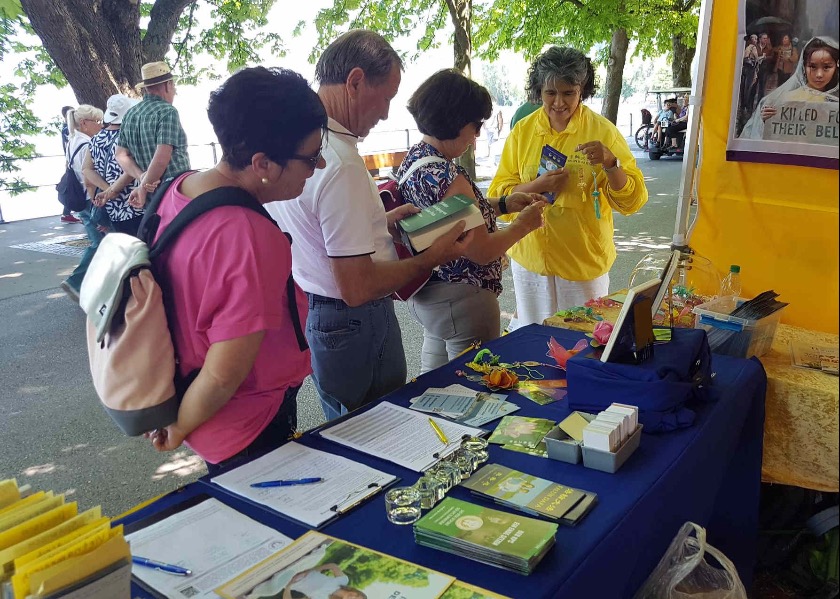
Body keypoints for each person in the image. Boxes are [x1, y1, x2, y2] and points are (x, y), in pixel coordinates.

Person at [267, 30, 473, 421]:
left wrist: (378, 219)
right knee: (380, 433)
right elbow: (358, 286)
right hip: (353, 320)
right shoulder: (339, 162)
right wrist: (432, 257)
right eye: (388, 97)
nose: (386, 113)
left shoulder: (301, 146)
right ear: (356, 81)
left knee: (348, 427)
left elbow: (315, 228)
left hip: (322, 313)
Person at [147, 66, 324, 474]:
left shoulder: (181, 189)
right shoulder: (249, 236)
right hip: (246, 423)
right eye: (311, 158)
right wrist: (176, 429)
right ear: (262, 162)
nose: (319, 165)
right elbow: (225, 374)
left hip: (188, 392)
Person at [396, 69, 546, 373]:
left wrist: (502, 204)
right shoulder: (450, 176)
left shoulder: (416, 160)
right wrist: (523, 225)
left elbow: (450, 217)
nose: (477, 135)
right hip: (465, 299)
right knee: (477, 388)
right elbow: (481, 250)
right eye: (475, 125)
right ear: (455, 121)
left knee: (434, 388)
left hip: (430, 295)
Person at [488, 46, 648, 330]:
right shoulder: (522, 132)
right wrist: (537, 185)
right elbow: (499, 193)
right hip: (530, 263)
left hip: (582, 264)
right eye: (551, 93)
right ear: (539, 92)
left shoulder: (603, 132)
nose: (559, 102)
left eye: (568, 93)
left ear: (582, 91)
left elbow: (633, 201)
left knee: (584, 342)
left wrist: (611, 163)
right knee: (533, 340)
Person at [116, 61, 191, 209]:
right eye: (173, 86)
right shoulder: (167, 111)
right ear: (168, 85)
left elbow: (120, 155)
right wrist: (143, 187)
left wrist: (142, 177)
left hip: (152, 200)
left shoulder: (130, 114)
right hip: (174, 192)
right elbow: (162, 157)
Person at [742, 36, 839, 139]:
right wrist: (765, 121)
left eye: (827, 67)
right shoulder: (782, 99)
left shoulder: (835, 102)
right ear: (803, 66)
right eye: (813, 67)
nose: (819, 74)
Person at [83, 94, 144, 236]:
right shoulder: (129, 136)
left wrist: (108, 190)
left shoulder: (96, 139)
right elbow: (131, 169)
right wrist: (112, 191)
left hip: (112, 208)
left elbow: (86, 169)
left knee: (126, 252)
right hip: (136, 204)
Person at [59, 105, 103, 301]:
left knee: (98, 241)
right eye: (98, 122)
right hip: (89, 198)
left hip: (80, 200)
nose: (100, 126)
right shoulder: (87, 144)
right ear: (84, 123)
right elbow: (88, 176)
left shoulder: (72, 140)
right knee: (98, 243)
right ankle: (76, 282)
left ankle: (92, 284)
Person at [281, 564, 367, 599]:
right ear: (356, 591)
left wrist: (289, 585)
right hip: (302, 568)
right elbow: (333, 566)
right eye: (357, 595)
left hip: (287, 580)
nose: (353, 597)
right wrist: (311, 570)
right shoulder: (343, 581)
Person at [59, 106, 81, 224]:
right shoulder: (69, 129)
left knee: (72, 186)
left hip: (69, 158)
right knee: (74, 186)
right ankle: (67, 213)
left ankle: (66, 213)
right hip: (73, 159)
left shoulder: (64, 128)